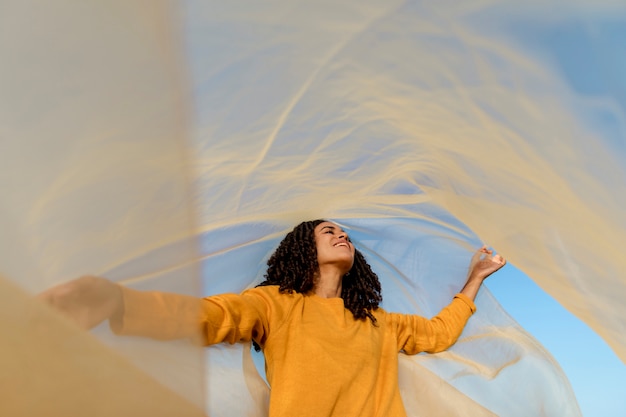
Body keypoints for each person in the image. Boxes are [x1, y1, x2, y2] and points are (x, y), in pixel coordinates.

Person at [39, 219, 506, 417]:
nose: (341, 235)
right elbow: (207, 317)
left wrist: (475, 279)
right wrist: (117, 302)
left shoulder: (380, 323)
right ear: (304, 249)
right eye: (328, 231)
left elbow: (440, 333)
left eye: (345, 233)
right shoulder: (274, 304)